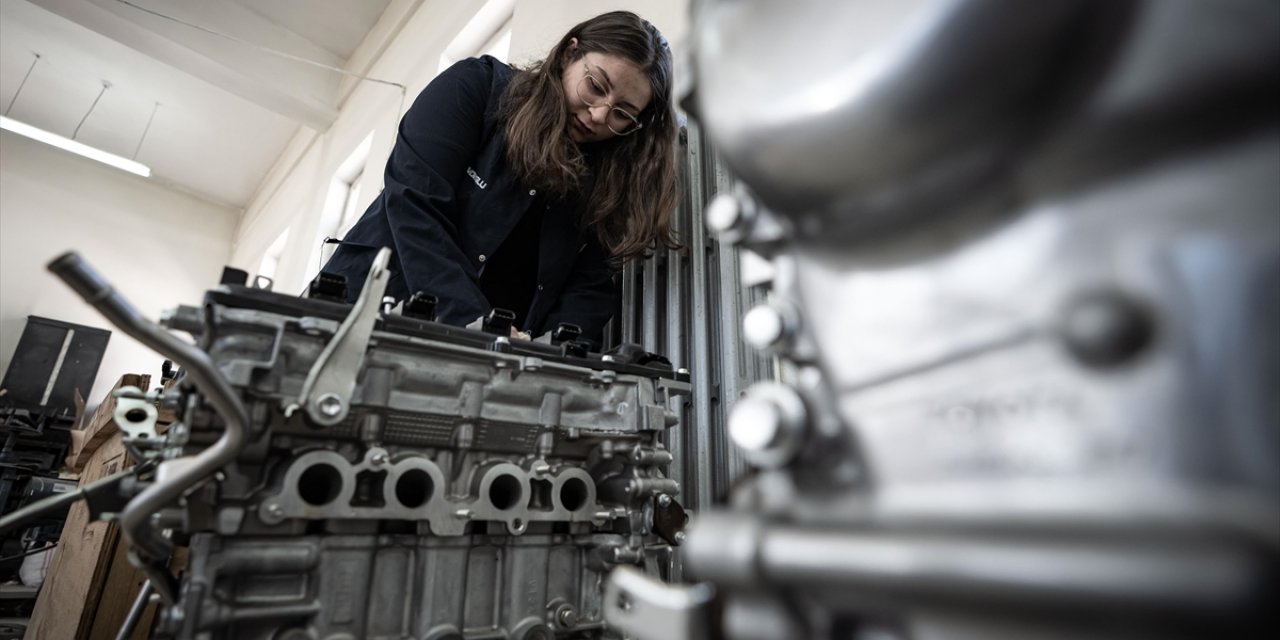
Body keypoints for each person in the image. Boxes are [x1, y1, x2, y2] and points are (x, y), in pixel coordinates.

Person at [321, 10, 679, 347]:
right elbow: (415, 203)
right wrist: (478, 326)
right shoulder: (473, 88)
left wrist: (555, 357)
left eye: (622, 114)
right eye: (596, 86)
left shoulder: (606, 183)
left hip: (482, 369)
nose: (600, 115)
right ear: (570, 53)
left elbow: (589, 288)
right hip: (359, 315)